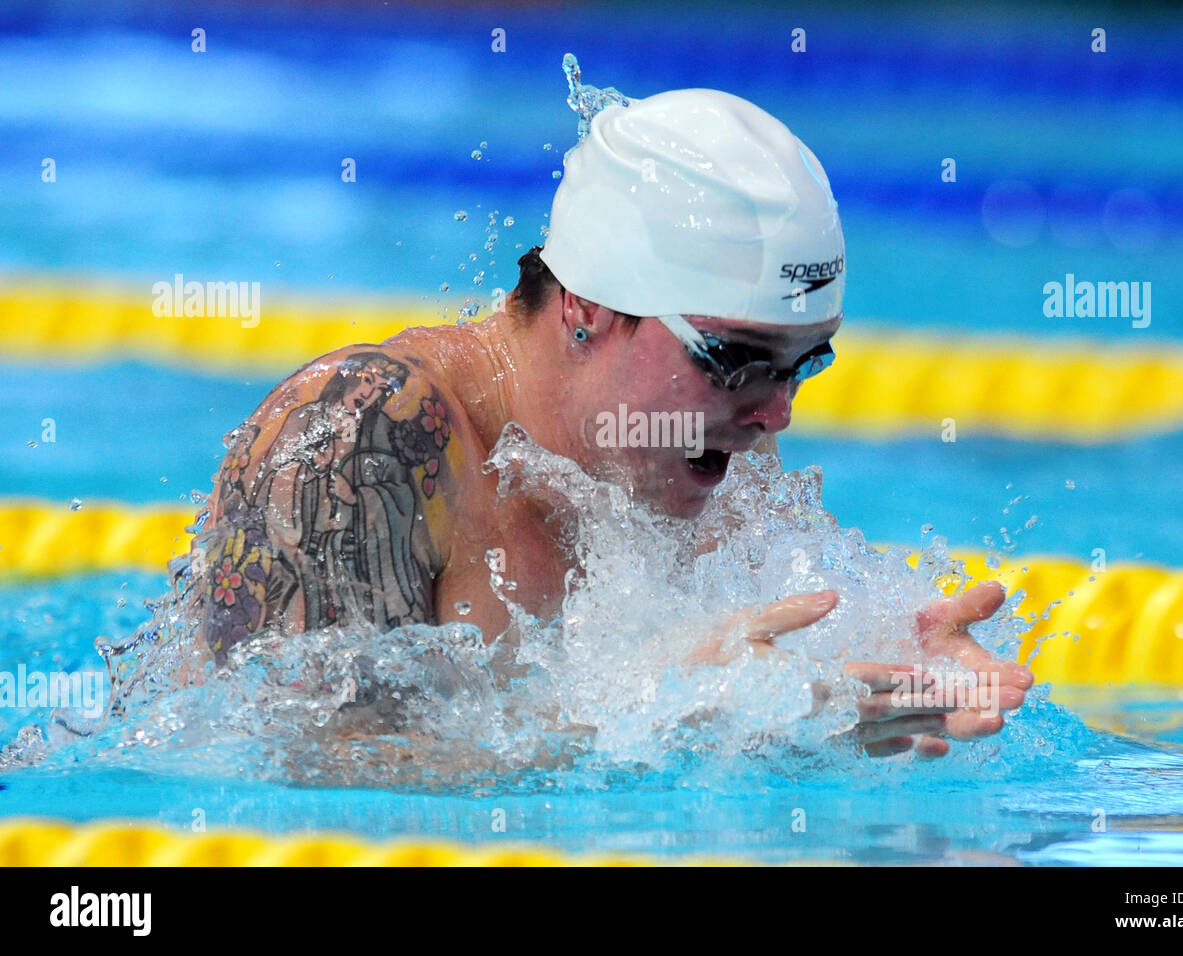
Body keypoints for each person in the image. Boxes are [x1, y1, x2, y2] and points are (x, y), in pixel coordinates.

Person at [188, 87, 1033, 758]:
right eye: (734, 358)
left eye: (803, 364)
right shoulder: (361, 434)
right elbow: (287, 762)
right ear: (587, 305)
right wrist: (652, 719)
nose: (775, 411)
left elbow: (742, 670)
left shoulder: (709, 437)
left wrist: (886, 677)